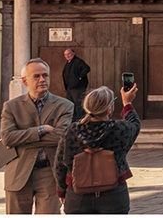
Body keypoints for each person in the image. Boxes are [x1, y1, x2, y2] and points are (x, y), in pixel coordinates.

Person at [1, 58, 74, 213]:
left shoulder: (64, 105)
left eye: (45, 75)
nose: (42, 79)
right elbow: (7, 137)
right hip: (19, 172)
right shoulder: (11, 107)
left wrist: (21, 139)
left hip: (50, 173)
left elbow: (63, 136)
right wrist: (41, 130)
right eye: (36, 76)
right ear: (25, 81)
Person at [54, 85, 139, 214]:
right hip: (113, 194)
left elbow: (60, 162)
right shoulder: (120, 130)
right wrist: (127, 103)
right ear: (109, 108)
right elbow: (135, 124)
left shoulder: (72, 131)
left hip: (77, 194)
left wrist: (61, 190)